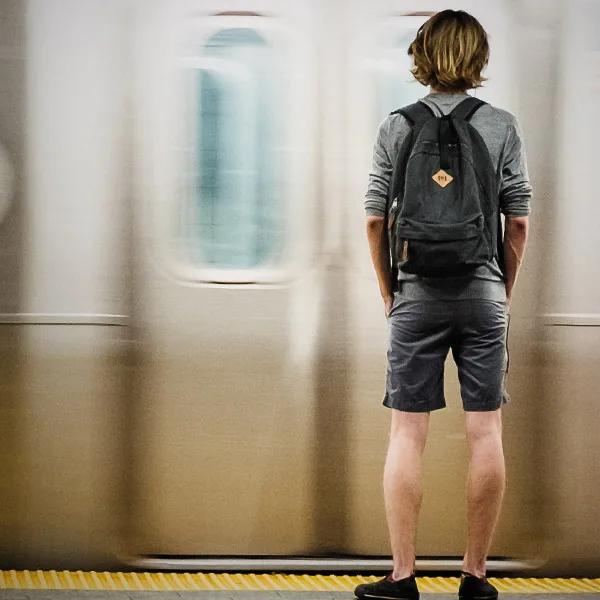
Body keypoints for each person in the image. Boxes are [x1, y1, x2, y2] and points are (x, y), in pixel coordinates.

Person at [354, 9, 532, 600]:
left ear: (421, 54)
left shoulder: (397, 125)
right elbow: (519, 223)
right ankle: (475, 578)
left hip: (416, 295)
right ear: (478, 58)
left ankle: (403, 576)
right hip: (483, 297)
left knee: (407, 435)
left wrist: (389, 291)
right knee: (486, 435)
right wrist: (499, 293)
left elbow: (377, 218)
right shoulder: (503, 125)